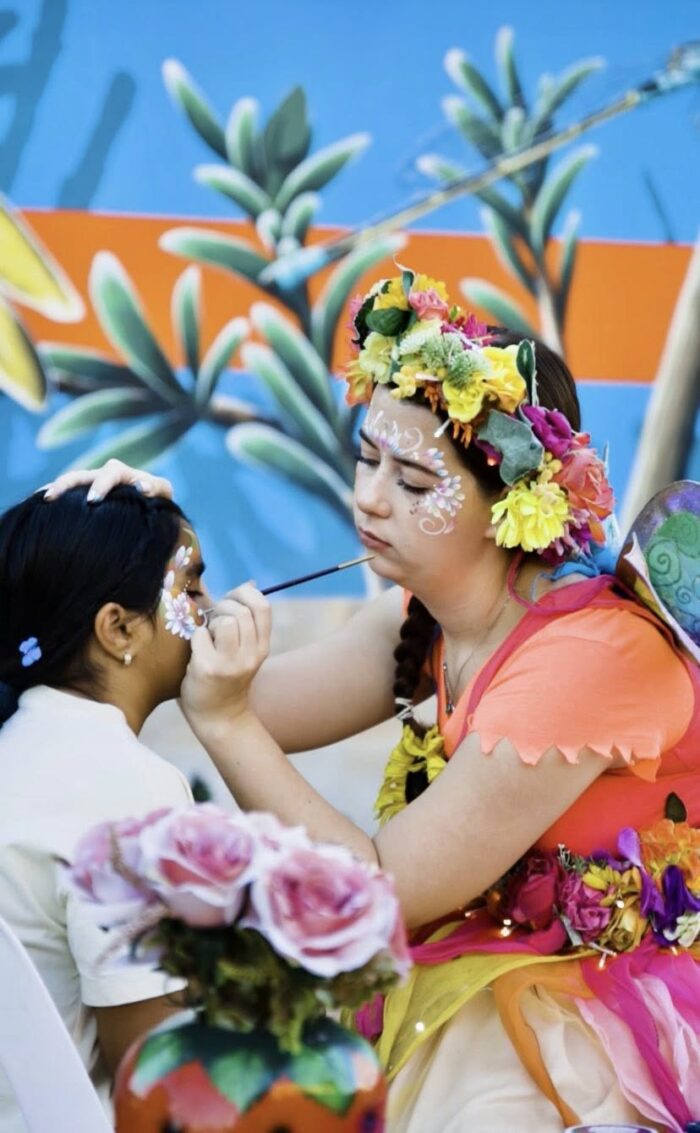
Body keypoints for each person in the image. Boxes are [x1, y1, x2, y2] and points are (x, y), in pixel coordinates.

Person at [48, 270, 699, 1132]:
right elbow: (225, 685)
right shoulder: (425, 612)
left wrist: (227, 721)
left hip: (592, 1015)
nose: (368, 497)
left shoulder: (590, 656)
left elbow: (386, 887)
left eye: (415, 482)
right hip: (476, 966)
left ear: (512, 508)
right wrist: (138, 544)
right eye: (366, 457)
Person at [0, 485, 212, 1132]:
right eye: (193, 590)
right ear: (119, 626)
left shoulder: (20, 746)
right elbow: (152, 1075)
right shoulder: (126, 786)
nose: (212, 611)